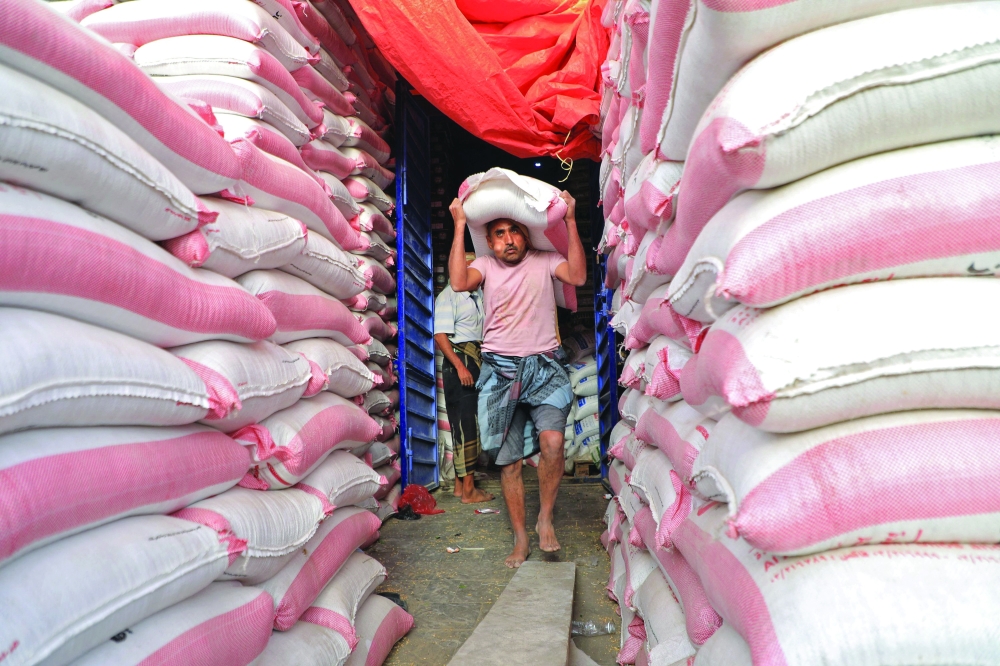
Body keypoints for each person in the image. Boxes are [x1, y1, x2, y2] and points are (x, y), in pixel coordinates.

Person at [447, 190, 586, 568]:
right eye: (499, 233)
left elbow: (578, 275)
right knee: (509, 463)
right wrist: (460, 224)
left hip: (544, 366)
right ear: (489, 242)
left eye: (514, 231)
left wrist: (571, 221)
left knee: (553, 442)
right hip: (499, 372)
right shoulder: (487, 267)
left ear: (526, 235)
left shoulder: (545, 261)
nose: (508, 239)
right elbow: (459, 282)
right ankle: (521, 538)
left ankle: (545, 517)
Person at [434, 255, 494, 504]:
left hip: (474, 359)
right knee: (466, 424)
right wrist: (460, 367)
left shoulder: (476, 295)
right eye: (468, 266)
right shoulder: (449, 295)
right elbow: (440, 336)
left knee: (467, 423)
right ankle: (470, 491)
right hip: (460, 361)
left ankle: (460, 486)